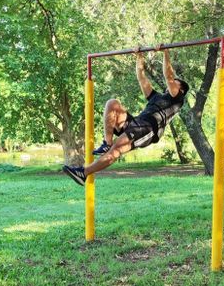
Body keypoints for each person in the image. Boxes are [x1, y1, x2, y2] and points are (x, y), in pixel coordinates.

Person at [63, 47, 189, 186]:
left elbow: (169, 76)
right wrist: (139, 56)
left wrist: (165, 52)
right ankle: (107, 143)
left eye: (175, 83)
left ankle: (84, 173)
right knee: (113, 104)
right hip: (138, 122)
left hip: (149, 129)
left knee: (117, 149)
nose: (170, 84)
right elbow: (141, 78)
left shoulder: (178, 99)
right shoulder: (156, 97)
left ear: (181, 90)